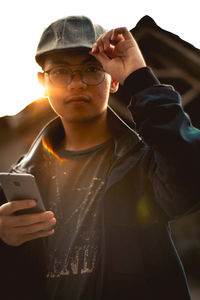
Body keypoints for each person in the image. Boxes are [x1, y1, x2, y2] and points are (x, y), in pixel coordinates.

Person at [0, 15, 199, 300]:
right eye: (60, 72)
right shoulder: (20, 178)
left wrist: (139, 77)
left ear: (113, 80)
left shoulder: (143, 165)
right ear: (42, 81)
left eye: (91, 69)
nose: (76, 84)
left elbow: (191, 177)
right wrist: (3, 240)